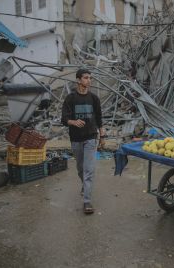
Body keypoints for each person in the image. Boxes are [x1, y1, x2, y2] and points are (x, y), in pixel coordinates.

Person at [61, 69, 105, 214]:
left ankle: (87, 201)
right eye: (86, 78)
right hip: (76, 139)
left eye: (90, 78)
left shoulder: (94, 99)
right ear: (78, 80)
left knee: (89, 170)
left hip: (91, 138)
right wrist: (73, 122)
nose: (89, 80)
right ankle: (84, 186)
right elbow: (64, 119)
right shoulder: (70, 98)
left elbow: (99, 119)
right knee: (80, 169)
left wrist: (102, 137)